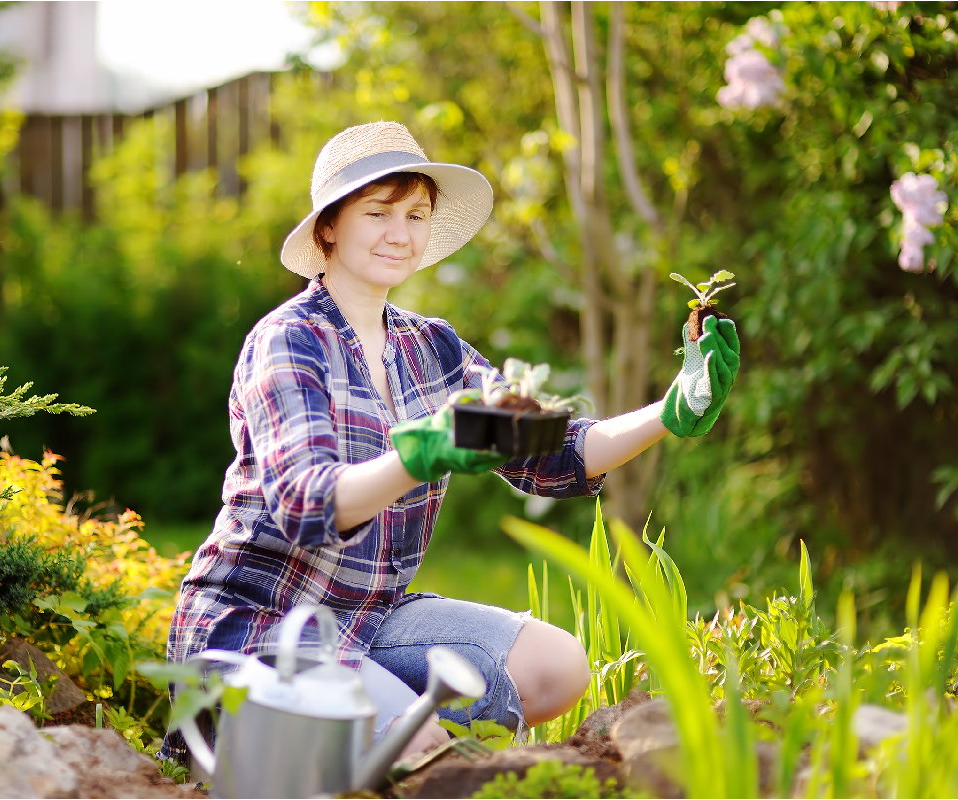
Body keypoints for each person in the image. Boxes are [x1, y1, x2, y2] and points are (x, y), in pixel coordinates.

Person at [163, 121, 740, 761]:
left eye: (415, 215)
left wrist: (672, 409)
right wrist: (419, 457)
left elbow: (550, 451)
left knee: (557, 666)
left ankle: (367, 739)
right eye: (377, 212)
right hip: (257, 629)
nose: (399, 233)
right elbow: (306, 505)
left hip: (369, 621)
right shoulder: (288, 340)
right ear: (328, 228)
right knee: (418, 745)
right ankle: (290, 747)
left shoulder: (430, 347)